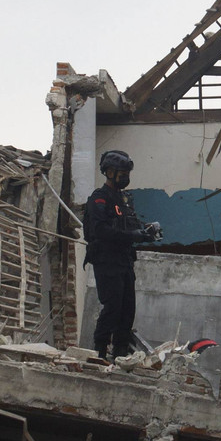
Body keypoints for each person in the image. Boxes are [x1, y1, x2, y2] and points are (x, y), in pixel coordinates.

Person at [83, 150, 161, 360]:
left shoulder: (123, 200)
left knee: (127, 309)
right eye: (121, 173)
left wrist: (145, 233)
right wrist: (132, 235)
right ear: (109, 172)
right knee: (113, 307)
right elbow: (101, 231)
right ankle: (99, 351)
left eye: (127, 173)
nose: (125, 177)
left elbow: (129, 227)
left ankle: (120, 353)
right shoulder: (99, 199)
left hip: (124, 262)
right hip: (107, 261)